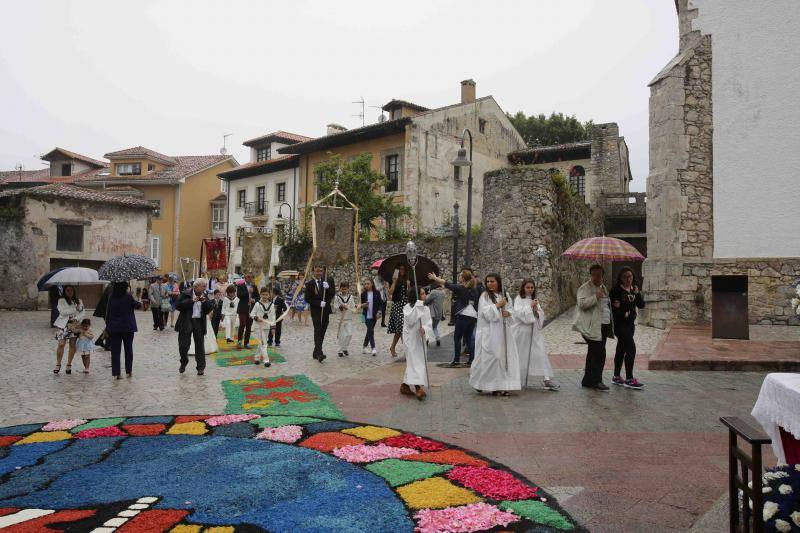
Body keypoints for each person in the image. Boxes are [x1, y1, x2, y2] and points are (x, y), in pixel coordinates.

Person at [469, 273, 521, 396]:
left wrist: (508, 313)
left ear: (498, 282)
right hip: (490, 332)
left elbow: (512, 311)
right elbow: (485, 313)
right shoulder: (485, 296)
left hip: (503, 332)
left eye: (492, 281)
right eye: (488, 282)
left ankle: (503, 385)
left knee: (504, 358)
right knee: (493, 358)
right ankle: (489, 385)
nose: (489, 284)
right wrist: (498, 305)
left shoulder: (505, 295)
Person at [573, 264, 615, 391]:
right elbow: (581, 304)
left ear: (603, 275)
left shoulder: (603, 287)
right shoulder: (585, 288)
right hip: (591, 327)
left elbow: (605, 304)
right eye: (595, 275)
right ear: (590, 275)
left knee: (592, 353)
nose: (597, 277)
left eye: (600, 274)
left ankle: (587, 380)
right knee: (599, 354)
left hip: (603, 325)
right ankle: (597, 380)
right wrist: (595, 296)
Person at [512, 279, 559, 391]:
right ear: (523, 288)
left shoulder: (535, 300)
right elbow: (518, 313)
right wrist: (529, 308)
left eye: (532, 288)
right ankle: (515, 379)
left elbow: (540, 315)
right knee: (520, 355)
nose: (530, 290)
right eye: (528, 287)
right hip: (522, 332)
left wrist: (536, 312)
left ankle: (546, 379)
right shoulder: (519, 299)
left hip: (534, 333)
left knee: (540, 353)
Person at [428, 270, 478, 367]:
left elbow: (446, 283)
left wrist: (435, 278)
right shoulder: (473, 289)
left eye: (460, 276)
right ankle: (472, 360)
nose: (459, 277)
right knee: (469, 339)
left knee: (457, 338)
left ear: (463, 278)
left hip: (463, 315)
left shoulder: (461, 288)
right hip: (473, 316)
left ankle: (456, 361)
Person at [610, 267, 645, 390]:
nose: (628, 279)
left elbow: (641, 305)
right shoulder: (615, 291)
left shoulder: (632, 290)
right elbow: (614, 309)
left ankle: (616, 376)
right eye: (625, 276)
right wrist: (624, 313)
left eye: (630, 276)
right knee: (631, 349)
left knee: (621, 349)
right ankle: (629, 379)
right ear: (620, 278)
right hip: (620, 325)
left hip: (630, 325)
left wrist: (637, 293)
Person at [176, 278, 214, 375]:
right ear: (196, 286)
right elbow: (178, 305)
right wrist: (191, 301)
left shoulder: (204, 295)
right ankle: (183, 362)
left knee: (200, 346)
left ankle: (200, 367)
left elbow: (210, 308)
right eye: (203, 286)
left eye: (205, 286)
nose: (205, 289)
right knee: (183, 346)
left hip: (199, 322)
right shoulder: (186, 293)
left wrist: (205, 301)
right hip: (186, 321)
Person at [401, 286, 433, 400]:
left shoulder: (425, 308)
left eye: (425, 293)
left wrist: (425, 328)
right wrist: (417, 308)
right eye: (422, 294)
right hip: (410, 338)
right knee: (414, 362)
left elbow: (429, 322)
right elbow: (410, 320)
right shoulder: (407, 307)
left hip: (420, 338)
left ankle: (404, 385)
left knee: (417, 362)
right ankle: (418, 387)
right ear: (416, 296)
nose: (425, 296)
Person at [105, 282, 143, 379]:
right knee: (128, 350)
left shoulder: (111, 297)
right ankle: (128, 371)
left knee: (115, 351)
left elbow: (108, 312)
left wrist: (107, 326)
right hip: (127, 327)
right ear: (125, 288)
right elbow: (137, 306)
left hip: (114, 328)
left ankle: (117, 373)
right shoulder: (128, 297)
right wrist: (139, 301)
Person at [53, 285, 85, 375]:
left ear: (74, 291)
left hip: (74, 326)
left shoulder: (79, 301)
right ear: (65, 291)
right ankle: (58, 364)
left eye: (71, 290)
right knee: (61, 344)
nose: (70, 292)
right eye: (67, 290)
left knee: (72, 345)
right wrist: (75, 308)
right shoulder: (61, 300)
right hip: (63, 325)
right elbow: (63, 312)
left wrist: (77, 318)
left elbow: (83, 313)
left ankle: (69, 364)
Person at [306, 266, 335, 362]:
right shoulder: (310, 284)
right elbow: (307, 298)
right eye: (317, 271)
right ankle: (319, 353)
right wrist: (318, 303)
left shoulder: (326, 281)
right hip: (316, 311)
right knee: (318, 330)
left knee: (322, 331)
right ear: (313, 272)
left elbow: (332, 294)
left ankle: (315, 351)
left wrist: (328, 287)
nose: (319, 273)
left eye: (321, 271)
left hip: (325, 310)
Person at [387, 265, 410, 358]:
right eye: (400, 269)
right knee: (401, 326)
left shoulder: (408, 279)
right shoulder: (393, 279)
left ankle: (392, 347)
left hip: (406, 305)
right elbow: (390, 292)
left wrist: (409, 286)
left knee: (401, 329)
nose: (402, 270)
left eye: (403, 269)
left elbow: (411, 293)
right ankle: (407, 350)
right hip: (397, 305)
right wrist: (394, 282)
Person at [250, 287, 276, 367]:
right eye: (263, 294)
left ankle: (257, 358)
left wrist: (273, 327)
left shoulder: (272, 305)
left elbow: (273, 317)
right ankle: (266, 361)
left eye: (266, 294)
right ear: (260, 295)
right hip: (258, 326)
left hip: (267, 327)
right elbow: (252, 314)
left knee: (261, 343)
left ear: (269, 295)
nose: (265, 296)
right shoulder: (257, 304)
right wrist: (256, 318)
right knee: (264, 343)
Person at [360, 278, 383, 356]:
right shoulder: (363, 294)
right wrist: (363, 305)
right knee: (371, 330)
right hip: (366, 315)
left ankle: (364, 347)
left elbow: (381, 303)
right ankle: (373, 348)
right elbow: (360, 305)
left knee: (369, 331)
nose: (366, 285)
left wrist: (379, 312)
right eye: (365, 284)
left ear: (372, 284)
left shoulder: (377, 293)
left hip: (374, 315)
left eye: (368, 283)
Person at [334, 281, 356, 357]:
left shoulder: (351, 297)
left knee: (349, 334)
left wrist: (357, 307)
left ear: (348, 289)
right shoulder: (337, 297)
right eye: (342, 289)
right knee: (342, 336)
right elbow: (335, 306)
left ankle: (345, 348)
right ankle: (340, 350)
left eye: (345, 289)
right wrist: (341, 307)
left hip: (348, 319)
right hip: (340, 319)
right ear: (340, 289)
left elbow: (353, 306)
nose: (344, 290)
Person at [236, 273, 256, 349]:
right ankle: (239, 341)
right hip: (242, 308)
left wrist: (254, 299)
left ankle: (246, 343)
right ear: (245, 278)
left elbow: (257, 296)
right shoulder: (240, 286)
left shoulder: (254, 286)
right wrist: (248, 291)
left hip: (251, 309)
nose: (249, 278)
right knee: (242, 324)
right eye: (248, 277)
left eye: (251, 277)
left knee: (248, 326)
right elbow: (239, 295)